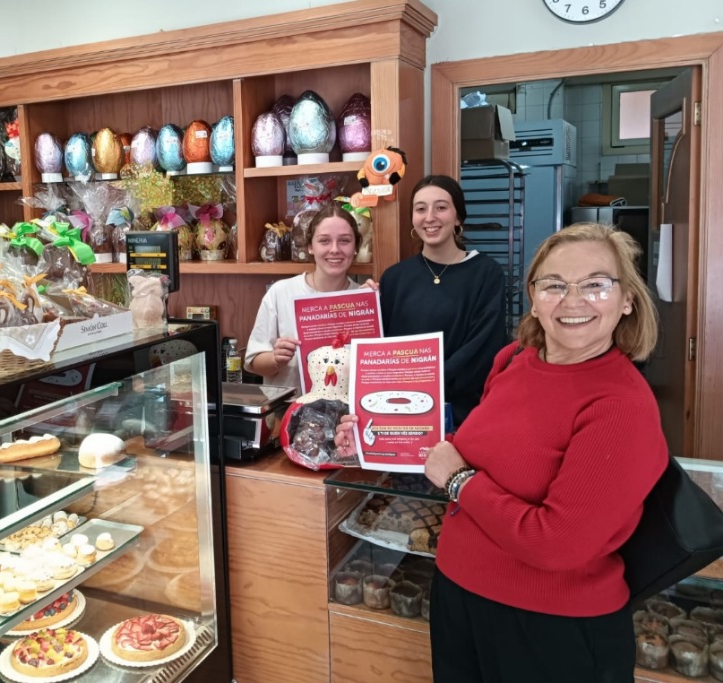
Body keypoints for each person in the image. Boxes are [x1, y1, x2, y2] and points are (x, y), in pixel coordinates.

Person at [340, 223, 668, 682]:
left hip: (550, 628)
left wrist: (459, 481)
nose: (573, 301)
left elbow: (556, 543)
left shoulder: (621, 405)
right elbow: (470, 446)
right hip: (458, 597)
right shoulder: (514, 359)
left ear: (627, 299)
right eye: (554, 285)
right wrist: (375, 436)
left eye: (596, 285)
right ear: (534, 296)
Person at [379, 174, 507, 427]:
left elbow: (484, 347)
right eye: (420, 209)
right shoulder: (394, 278)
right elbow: (380, 347)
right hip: (400, 410)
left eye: (441, 207)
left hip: (462, 414)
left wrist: (428, 384)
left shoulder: (486, 273)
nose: (429, 217)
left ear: (458, 217)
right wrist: (365, 305)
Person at [245, 202, 361, 390]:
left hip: (347, 408)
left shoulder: (364, 300)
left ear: (355, 247)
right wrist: (275, 359)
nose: (334, 249)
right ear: (310, 247)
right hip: (290, 407)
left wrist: (371, 300)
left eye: (345, 241)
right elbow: (254, 362)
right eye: (324, 241)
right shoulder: (280, 292)